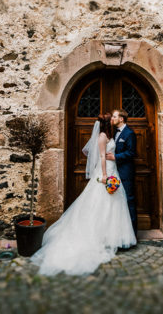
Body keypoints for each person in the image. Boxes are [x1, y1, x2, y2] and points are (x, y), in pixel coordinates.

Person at [30, 113, 136, 276]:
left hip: (115, 170)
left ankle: (112, 237)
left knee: (114, 204)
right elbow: (100, 156)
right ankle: (99, 236)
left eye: (115, 118)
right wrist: (104, 174)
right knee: (99, 204)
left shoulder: (111, 134)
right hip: (106, 171)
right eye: (111, 119)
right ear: (108, 123)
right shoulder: (102, 136)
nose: (114, 121)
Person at [107, 109, 138, 235]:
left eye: (114, 116)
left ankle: (132, 234)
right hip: (114, 171)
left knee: (129, 200)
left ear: (121, 119)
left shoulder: (129, 133)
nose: (112, 119)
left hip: (125, 172)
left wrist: (116, 157)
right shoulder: (114, 132)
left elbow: (132, 152)